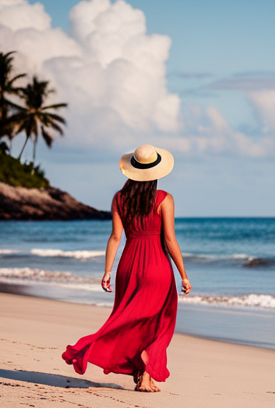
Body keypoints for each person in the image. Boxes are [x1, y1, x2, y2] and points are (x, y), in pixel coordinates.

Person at [62, 144, 191, 392]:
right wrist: (183, 275)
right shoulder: (164, 199)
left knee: (127, 318)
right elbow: (170, 240)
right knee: (159, 319)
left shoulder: (119, 199)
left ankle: (141, 370)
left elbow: (114, 238)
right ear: (156, 172)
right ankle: (146, 374)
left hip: (128, 265)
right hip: (157, 266)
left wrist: (107, 271)